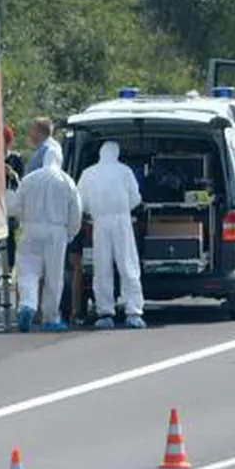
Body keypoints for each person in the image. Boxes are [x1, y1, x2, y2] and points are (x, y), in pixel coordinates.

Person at [10, 150, 82, 333]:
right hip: (57, 232)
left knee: (27, 271)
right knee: (53, 276)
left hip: (31, 229)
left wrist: (24, 221)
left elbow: (16, 206)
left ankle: (26, 305)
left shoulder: (29, 179)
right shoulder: (66, 181)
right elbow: (76, 211)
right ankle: (51, 317)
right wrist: (71, 233)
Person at [77, 141, 146, 329]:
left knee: (102, 267)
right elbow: (136, 198)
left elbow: (81, 202)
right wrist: (124, 209)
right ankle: (133, 311)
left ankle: (105, 311)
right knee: (128, 264)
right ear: (116, 153)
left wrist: (94, 212)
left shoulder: (88, 173)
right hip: (121, 220)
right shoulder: (125, 171)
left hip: (99, 222)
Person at [3, 124, 25, 269]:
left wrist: (12, 174)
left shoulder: (15, 158)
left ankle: (10, 267)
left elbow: (22, 182)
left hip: (9, 203)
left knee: (10, 234)